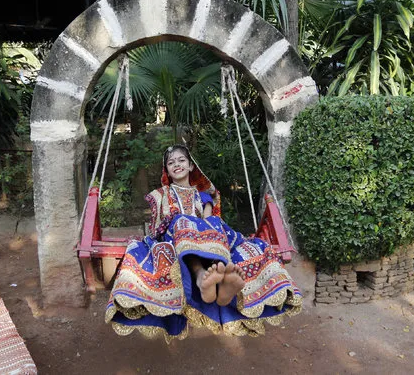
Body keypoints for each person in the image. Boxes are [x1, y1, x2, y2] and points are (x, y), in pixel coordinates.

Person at [105, 144, 302, 341]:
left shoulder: (203, 196)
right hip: (174, 240)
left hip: (205, 241)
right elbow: (157, 228)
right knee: (182, 224)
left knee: (241, 243)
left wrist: (193, 228)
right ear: (167, 170)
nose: (177, 164)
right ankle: (204, 281)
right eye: (171, 162)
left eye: (181, 160)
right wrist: (179, 224)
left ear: (191, 166)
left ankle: (222, 292)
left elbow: (210, 223)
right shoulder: (161, 196)